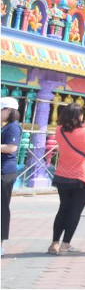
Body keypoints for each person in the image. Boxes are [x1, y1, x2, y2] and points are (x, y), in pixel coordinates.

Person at [49, 102, 85, 255]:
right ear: (78, 116)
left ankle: (54, 243)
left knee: (63, 208)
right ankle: (65, 245)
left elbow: (77, 135)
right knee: (75, 210)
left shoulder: (59, 130)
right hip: (83, 176)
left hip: (63, 175)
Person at [1, 96, 23, 257]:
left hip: (5, 172)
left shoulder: (13, 127)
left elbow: (11, 148)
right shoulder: (5, 126)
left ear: (8, 110)